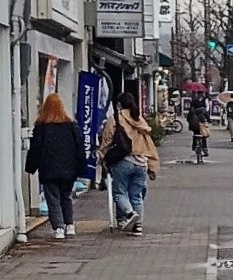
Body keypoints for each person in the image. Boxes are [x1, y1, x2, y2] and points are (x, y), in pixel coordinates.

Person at [24, 93, 86, 240]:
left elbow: (36, 149)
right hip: (69, 169)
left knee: (53, 199)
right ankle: (69, 225)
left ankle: (58, 228)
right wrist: (81, 168)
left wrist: (31, 167)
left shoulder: (41, 126)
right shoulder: (71, 125)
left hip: (48, 169)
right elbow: (80, 147)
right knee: (66, 197)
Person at [98, 92, 160, 235]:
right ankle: (138, 227)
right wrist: (153, 166)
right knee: (136, 195)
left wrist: (103, 157)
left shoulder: (116, 119)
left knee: (119, 192)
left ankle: (130, 213)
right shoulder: (140, 120)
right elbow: (149, 144)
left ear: (119, 104)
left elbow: (107, 140)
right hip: (141, 162)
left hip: (123, 161)